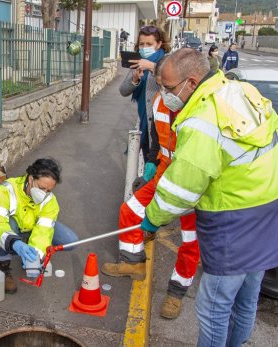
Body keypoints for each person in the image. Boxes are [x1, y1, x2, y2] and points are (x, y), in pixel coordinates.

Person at [142, 48, 278, 346]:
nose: (164, 94)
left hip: (233, 219)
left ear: (191, 82)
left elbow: (181, 190)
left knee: (214, 308)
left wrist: (151, 220)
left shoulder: (203, 118)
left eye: (168, 87)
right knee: (246, 301)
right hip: (267, 211)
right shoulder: (240, 90)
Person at [102, 59, 200, 320]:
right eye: (160, 85)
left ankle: (176, 293)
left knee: (190, 241)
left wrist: (156, 217)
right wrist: (151, 168)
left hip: (194, 181)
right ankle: (133, 264)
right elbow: (157, 142)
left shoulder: (201, 109)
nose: (163, 92)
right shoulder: (159, 102)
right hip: (164, 172)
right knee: (130, 210)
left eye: (167, 86)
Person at [0, 158, 78, 294]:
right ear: (30, 179)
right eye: (41, 188)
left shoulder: (50, 201)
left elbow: (44, 231)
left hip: (31, 227)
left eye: (48, 190)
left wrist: (36, 256)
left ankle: (28, 247)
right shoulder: (7, 189)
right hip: (10, 226)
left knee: (70, 241)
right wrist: (15, 243)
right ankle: (3, 267)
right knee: (5, 231)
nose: (44, 194)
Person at [119, 25, 170, 163]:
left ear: (159, 44)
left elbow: (172, 85)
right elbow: (123, 91)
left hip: (163, 126)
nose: (144, 47)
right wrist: (135, 79)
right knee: (148, 159)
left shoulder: (167, 61)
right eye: (141, 44)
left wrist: (153, 67)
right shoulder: (138, 62)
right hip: (145, 123)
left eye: (149, 44)